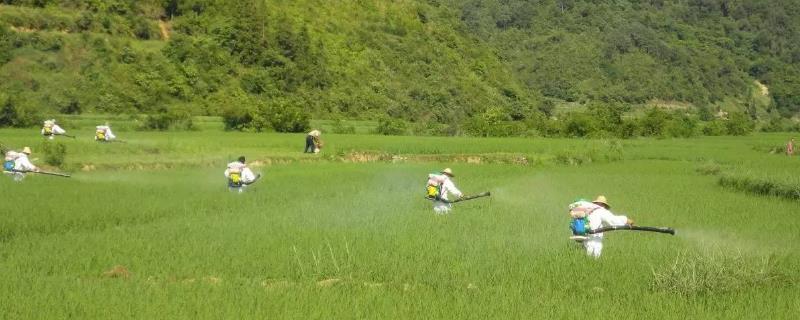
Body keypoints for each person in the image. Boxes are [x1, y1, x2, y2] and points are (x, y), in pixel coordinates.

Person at [568, 196, 633, 259]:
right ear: (603, 205)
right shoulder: (601, 210)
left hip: (585, 239)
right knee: (594, 261)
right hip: (595, 241)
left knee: (587, 259)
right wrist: (627, 220)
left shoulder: (588, 210)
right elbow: (614, 220)